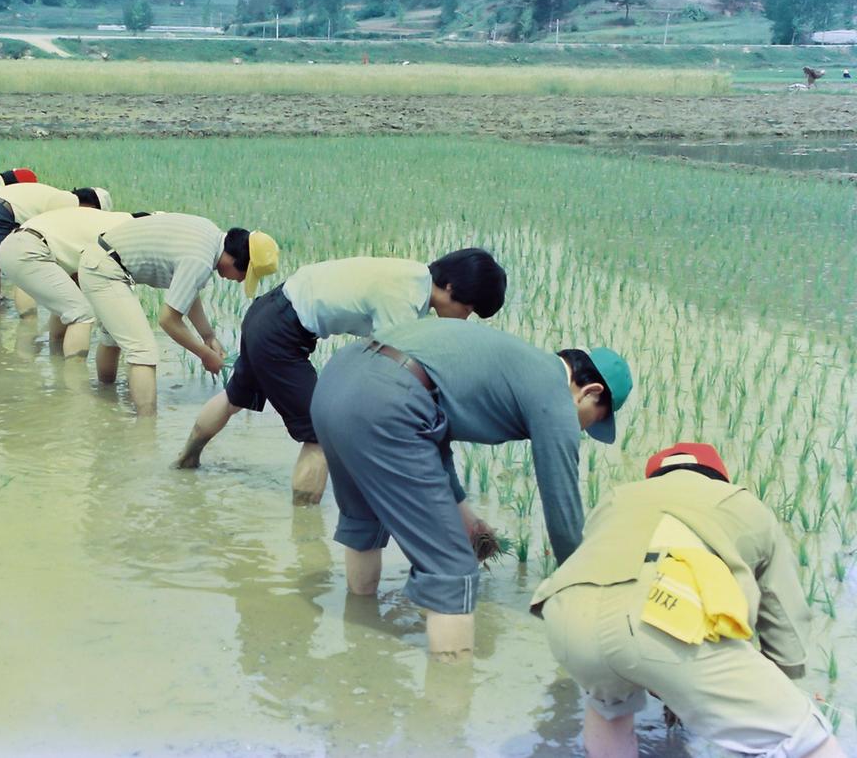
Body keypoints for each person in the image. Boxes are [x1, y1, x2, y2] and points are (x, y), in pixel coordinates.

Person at [309, 318, 632, 656]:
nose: (582, 430)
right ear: (590, 392)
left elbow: (431, 428)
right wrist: (589, 593)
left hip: (337, 381)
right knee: (452, 572)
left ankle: (359, 645)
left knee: (365, 520)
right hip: (387, 401)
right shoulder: (555, 397)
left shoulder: (523, 364)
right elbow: (563, 515)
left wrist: (466, 519)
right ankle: (451, 685)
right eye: (593, 420)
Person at [531, 443, 845, 758]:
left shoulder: (617, 498)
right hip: (664, 613)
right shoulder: (741, 502)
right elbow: (782, 613)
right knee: (806, 739)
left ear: (655, 478)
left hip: (567, 615)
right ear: (718, 477)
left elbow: (607, 597)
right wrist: (778, 685)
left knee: (608, 709)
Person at [175, 251, 508, 506]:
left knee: (235, 397)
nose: (465, 318)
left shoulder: (411, 276)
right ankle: (305, 531)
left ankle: (185, 462)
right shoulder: (404, 297)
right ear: (451, 288)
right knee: (322, 434)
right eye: (469, 310)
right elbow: (394, 367)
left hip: (267, 311)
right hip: (281, 332)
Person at [77, 213, 279, 416]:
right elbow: (168, 320)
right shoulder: (200, 260)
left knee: (112, 338)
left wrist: (208, 337)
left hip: (100, 258)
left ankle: (105, 403)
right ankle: (146, 426)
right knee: (143, 351)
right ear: (234, 260)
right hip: (104, 271)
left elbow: (187, 292)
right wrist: (205, 354)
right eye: (245, 275)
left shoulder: (209, 234)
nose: (241, 281)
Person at [0, 206, 138, 356]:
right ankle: (74, 370)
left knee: (68, 306)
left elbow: (79, 277)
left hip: (13, 245)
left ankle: (57, 360)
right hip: (31, 250)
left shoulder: (109, 219)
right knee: (83, 314)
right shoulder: (122, 230)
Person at [0, 183, 110, 308]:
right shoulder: (68, 203)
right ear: (92, 207)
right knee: (25, 268)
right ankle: (28, 326)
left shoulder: (55, 195)